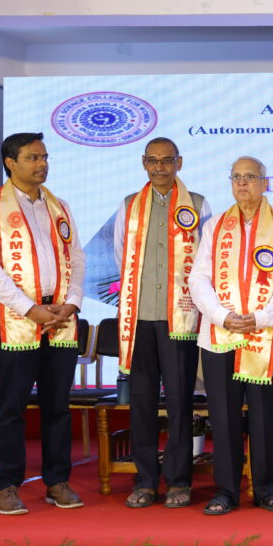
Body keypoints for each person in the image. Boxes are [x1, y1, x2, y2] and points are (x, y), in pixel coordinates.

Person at [0, 132, 86, 515]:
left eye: (45, 157)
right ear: (10, 162)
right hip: (18, 318)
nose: (43, 164)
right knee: (12, 406)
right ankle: (6, 485)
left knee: (58, 405)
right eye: (33, 157)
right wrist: (29, 308)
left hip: (61, 318)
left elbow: (77, 258)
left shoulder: (59, 206)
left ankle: (57, 481)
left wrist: (72, 303)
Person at [188, 156, 273, 515]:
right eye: (236, 177)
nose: (242, 183)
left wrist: (262, 316)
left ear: (264, 183)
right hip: (221, 333)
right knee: (222, 415)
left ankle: (266, 489)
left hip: (266, 332)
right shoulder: (215, 224)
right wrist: (222, 315)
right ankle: (226, 491)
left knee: (264, 414)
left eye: (249, 177)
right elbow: (198, 277)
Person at [113, 137, 211, 509]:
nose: (159, 168)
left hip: (180, 320)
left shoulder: (198, 204)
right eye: (153, 161)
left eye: (167, 161)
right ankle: (144, 481)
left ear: (179, 163)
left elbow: (205, 260)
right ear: (144, 163)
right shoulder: (128, 205)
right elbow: (123, 256)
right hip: (139, 317)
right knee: (141, 401)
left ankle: (179, 480)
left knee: (180, 401)